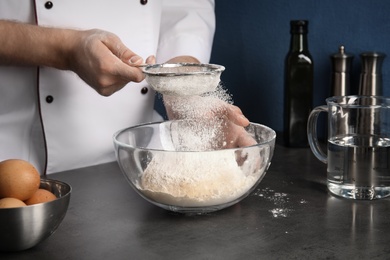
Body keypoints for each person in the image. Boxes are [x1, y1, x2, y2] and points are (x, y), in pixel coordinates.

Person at [0, 0, 250, 175]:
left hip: (136, 162)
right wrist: (64, 49)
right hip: (13, 156)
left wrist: (182, 93)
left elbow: (183, 8)